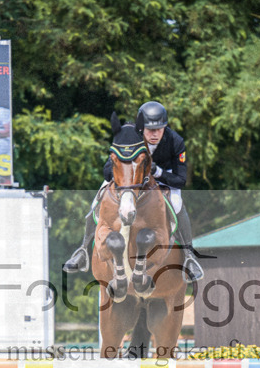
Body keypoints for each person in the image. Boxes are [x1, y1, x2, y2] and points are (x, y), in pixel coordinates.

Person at [62, 101, 204, 281]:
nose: (154, 134)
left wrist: (157, 172)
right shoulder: (129, 136)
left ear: (165, 127)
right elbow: (107, 172)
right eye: (149, 130)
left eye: (159, 129)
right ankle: (82, 250)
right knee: (97, 198)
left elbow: (181, 180)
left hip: (164, 179)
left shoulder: (175, 142)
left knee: (176, 203)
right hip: (130, 180)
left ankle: (189, 257)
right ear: (140, 128)